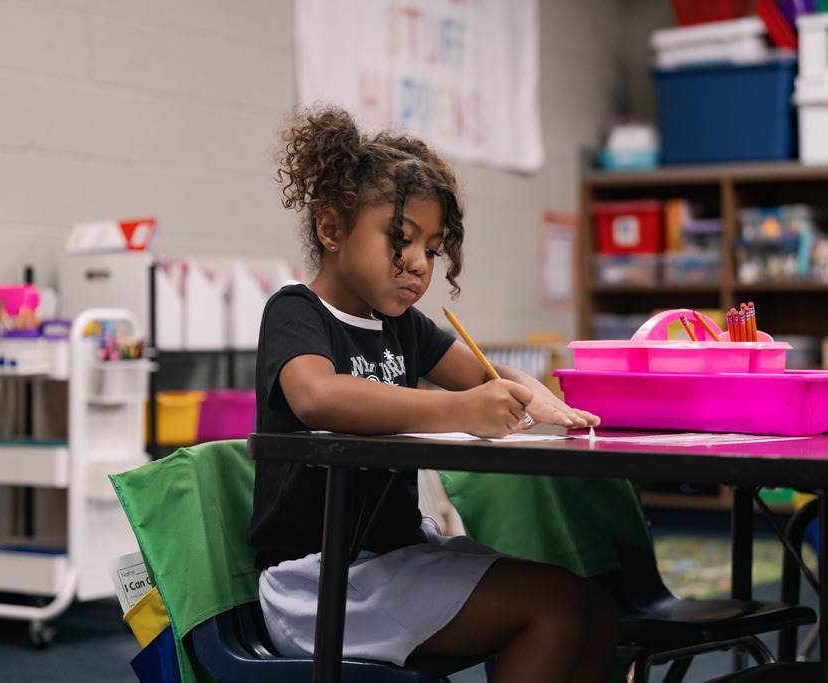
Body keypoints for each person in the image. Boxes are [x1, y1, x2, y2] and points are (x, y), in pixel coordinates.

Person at [246, 104, 618, 682]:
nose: (419, 265)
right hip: (320, 579)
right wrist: (461, 410)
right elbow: (316, 396)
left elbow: (484, 375)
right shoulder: (297, 311)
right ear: (331, 228)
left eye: (433, 247)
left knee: (595, 604)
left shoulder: (402, 326)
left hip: (393, 555)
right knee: (555, 608)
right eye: (401, 239)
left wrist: (533, 394)